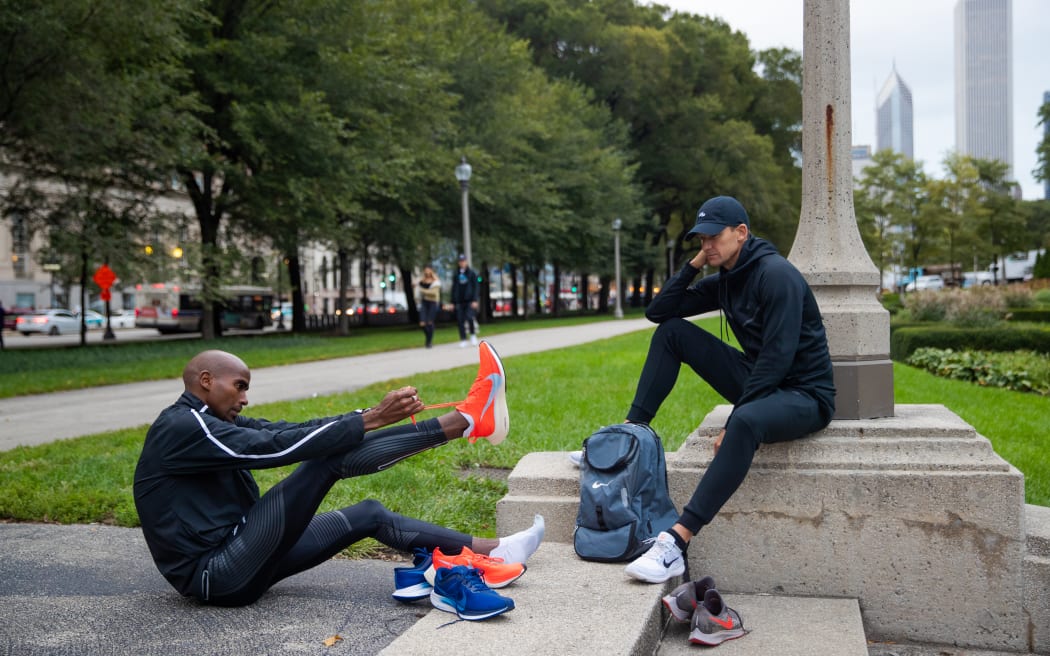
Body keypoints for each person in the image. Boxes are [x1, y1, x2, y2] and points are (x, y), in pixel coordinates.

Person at [134, 342, 543, 607]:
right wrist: (374, 418)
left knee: (370, 514)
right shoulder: (182, 427)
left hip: (246, 558)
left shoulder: (211, 422)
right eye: (238, 386)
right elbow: (277, 450)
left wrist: (367, 418)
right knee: (323, 463)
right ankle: (464, 421)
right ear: (206, 381)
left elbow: (282, 431)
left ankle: (497, 550)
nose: (244, 398)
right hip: (217, 574)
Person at [622, 195, 835, 584]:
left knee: (747, 420)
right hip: (762, 379)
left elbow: (778, 357)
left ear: (741, 233)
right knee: (672, 333)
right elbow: (659, 312)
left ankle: (676, 542)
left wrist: (737, 417)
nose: (706, 244)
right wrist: (696, 264)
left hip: (804, 395)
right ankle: (630, 434)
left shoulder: (777, 275)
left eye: (713, 237)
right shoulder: (725, 279)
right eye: (700, 239)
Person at [450, 254, 479, 348]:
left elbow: (476, 287)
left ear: (466, 262)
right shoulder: (456, 274)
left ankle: (473, 335)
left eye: (463, 261)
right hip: (459, 301)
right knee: (460, 320)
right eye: (460, 261)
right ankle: (463, 339)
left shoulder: (471, 273)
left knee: (470, 318)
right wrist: (452, 302)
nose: (462, 263)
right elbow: (454, 288)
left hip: (469, 300)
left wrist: (475, 299)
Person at [417, 266, 441, 348]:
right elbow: (417, 290)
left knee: (430, 322)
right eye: (425, 270)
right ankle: (428, 338)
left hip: (433, 302)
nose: (427, 272)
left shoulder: (435, 282)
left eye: (428, 270)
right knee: (423, 323)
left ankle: (429, 341)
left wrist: (423, 291)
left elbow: (433, 293)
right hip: (424, 302)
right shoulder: (422, 281)